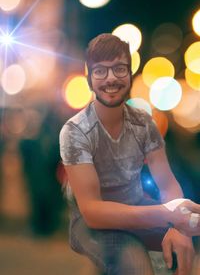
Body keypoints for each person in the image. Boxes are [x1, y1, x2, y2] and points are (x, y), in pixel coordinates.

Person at [59, 33, 200, 275]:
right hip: (93, 225)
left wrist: (180, 229)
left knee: (180, 252)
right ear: (89, 78)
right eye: (100, 71)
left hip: (137, 207)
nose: (111, 78)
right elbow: (93, 212)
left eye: (119, 69)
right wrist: (167, 215)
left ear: (131, 75)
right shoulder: (75, 131)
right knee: (137, 266)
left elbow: (167, 183)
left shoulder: (144, 124)